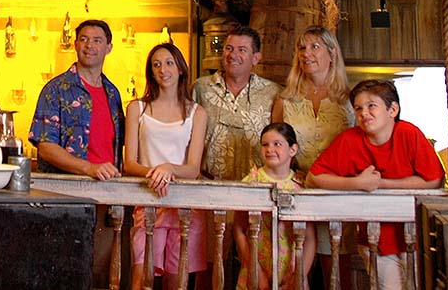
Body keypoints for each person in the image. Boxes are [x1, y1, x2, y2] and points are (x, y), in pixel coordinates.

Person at [307, 79, 445, 290]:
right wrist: (357, 183)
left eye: (372, 105)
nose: (364, 113)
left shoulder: (408, 134)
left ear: (393, 109)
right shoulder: (350, 140)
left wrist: (382, 183)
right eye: (358, 108)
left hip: (418, 236)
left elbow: (434, 179)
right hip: (376, 239)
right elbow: (315, 176)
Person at [191, 24, 280, 283]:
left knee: (255, 267)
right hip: (209, 189)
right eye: (229, 48)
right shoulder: (201, 88)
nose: (233, 55)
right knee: (208, 268)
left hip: (255, 193)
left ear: (256, 58)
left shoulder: (273, 93)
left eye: (242, 50)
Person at [271, 25, 354, 286]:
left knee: (336, 275)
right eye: (302, 48)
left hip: (337, 195)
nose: (306, 53)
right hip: (295, 194)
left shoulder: (349, 99)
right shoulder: (285, 99)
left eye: (314, 47)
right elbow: (276, 146)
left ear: (332, 54)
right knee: (294, 272)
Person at [122, 42, 208, 286]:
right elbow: (129, 163)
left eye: (169, 63)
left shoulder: (197, 113)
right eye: (156, 65)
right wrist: (156, 173)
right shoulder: (137, 108)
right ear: (151, 72)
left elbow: (193, 169)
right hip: (148, 199)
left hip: (185, 205)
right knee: (142, 278)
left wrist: (168, 169)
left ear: (181, 68)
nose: (163, 69)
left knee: (176, 282)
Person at [29, 19, 124, 177]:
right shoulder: (55, 90)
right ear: (75, 45)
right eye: (84, 39)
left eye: (97, 40)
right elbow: (46, 147)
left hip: (111, 191)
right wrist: (89, 168)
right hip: (69, 194)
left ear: (109, 48)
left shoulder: (113, 93)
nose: (89, 46)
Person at [234, 123, 315, 290]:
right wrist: (255, 268)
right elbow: (239, 229)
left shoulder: (301, 185)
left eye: (277, 144)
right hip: (257, 266)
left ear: (292, 150)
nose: (269, 149)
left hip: (292, 270)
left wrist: (299, 275)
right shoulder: (251, 182)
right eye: (265, 144)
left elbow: (309, 239)